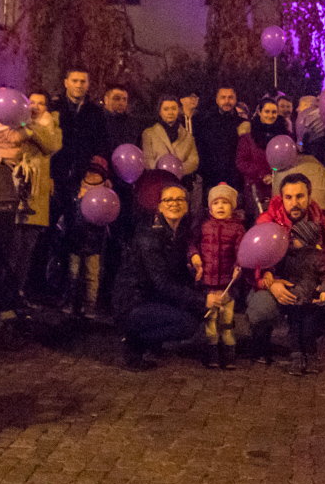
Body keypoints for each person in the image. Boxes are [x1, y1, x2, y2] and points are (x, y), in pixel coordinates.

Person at [246, 175, 325, 364]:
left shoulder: (323, 224)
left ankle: (307, 343)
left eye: (300, 196)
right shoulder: (267, 222)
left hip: (308, 285)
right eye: (289, 197)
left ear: (309, 197)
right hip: (277, 285)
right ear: (282, 198)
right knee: (262, 309)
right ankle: (261, 341)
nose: (295, 203)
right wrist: (271, 284)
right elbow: (255, 264)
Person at [112, 183, 214, 370]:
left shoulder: (178, 233)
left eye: (180, 199)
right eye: (168, 200)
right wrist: (202, 300)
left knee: (195, 314)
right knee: (187, 324)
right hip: (133, 302)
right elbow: (162, 284)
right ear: (159, 206)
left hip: (150, 297)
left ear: (186, 205)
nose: (174, 203)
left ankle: (149, 341)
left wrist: (193, 266)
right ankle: (133, 341)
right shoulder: (149, 236)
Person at [0, 93, 62, 304]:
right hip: (15, 188)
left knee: (28, 246)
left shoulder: (49, 127)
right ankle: (3, 290)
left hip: (36, 192)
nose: (36, 106)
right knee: (13, 243)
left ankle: (18, 290)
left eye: (41, 103)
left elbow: (50, 145)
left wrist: (30, 130)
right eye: (32, 102)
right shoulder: (11, 123)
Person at [190, 183, 245, 368]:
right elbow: (192, 244)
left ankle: (229, 352)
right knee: (211, 320)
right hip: (208, 283)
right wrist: (194, 256)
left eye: (225, 202)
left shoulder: (238, 228)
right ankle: (212, 352)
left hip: (227, 283)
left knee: (227, 320)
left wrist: (239, 266)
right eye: (216, 203)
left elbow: (242, 252)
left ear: (233, 206)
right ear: (210, 206)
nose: (220, 206)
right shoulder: (203, 226)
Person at [273, 217, 325, 374]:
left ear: (306, 239)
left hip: (310, 302)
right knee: (294, 330)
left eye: (296, 237)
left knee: (308, 331)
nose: (292, 240)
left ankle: (311, 356)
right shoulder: (288, 256)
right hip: (294, 300)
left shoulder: (317, 257)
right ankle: (296, 357)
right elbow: (281, 272)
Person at [48, 69, 108, 199]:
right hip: (55, 175)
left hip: (83, 178)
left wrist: (96, 173)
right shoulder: (54, 108)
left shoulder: (96, 112)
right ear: (66, 83)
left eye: (82, 81)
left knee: (75, 217)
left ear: (88, 84)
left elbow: (101, 144)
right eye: (74, 81)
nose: (78, 85)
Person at [65, 157, 112, 319]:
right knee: (73, 272)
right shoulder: (78, 189)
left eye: (97, 173)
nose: (92, 175)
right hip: (76, 238)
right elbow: (72, 214)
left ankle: (90, 306)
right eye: (90, 171)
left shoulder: (105, 194)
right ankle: (72, 303)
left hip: (94, 240)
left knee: (92, 274)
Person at [193, 85, 248, 193]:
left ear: (235, 100)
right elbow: (201, 151)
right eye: (223, 97)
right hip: (211, 180)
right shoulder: (205, 124)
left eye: (230, 97)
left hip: (236, 182)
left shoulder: (243, 124)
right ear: (217, 100)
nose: (227, 101)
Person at [236, 97, 287, 208]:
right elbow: (241, 162)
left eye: (274, 112)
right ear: (259, 112)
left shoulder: (284, 135)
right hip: (256, 187)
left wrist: (275, 176)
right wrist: (262, 174)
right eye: (267, 112)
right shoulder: (248, 137)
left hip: (280, 186)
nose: (270, 115)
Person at [141, 96, 200, 185]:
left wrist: (178, 170)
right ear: (160, 112)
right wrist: (163, 172)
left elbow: (194, 160)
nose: (170, 112)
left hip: (181, 183)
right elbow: (147, 160)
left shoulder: (188, 136)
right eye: (166, 109)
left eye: (173, 108)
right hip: (158, 183)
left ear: (178, 111)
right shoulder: (149, 134)